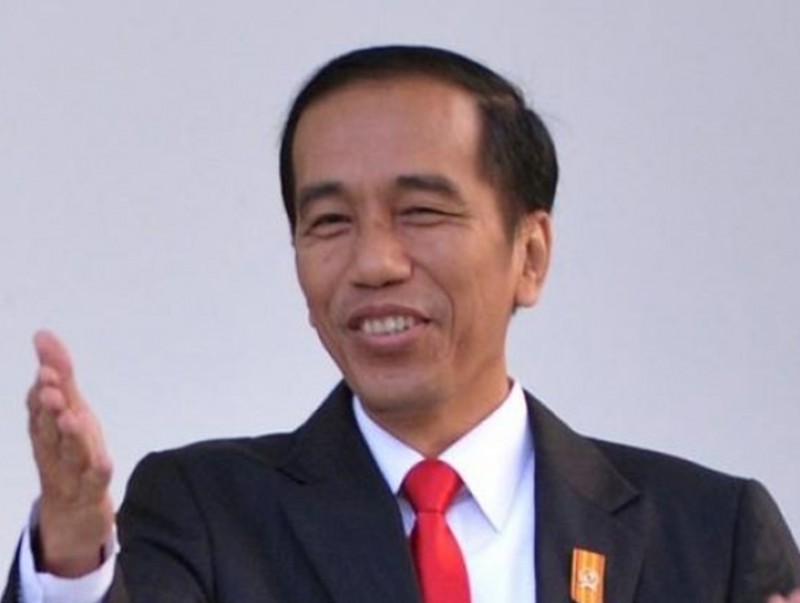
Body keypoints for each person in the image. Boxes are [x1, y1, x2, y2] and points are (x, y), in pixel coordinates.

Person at [4, 45, 800, 603]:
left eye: (420, 212)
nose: (374, 262)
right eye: (329, 222)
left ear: (529, 254)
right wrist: (71, 553)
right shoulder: (208, 511)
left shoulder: (708, 532)